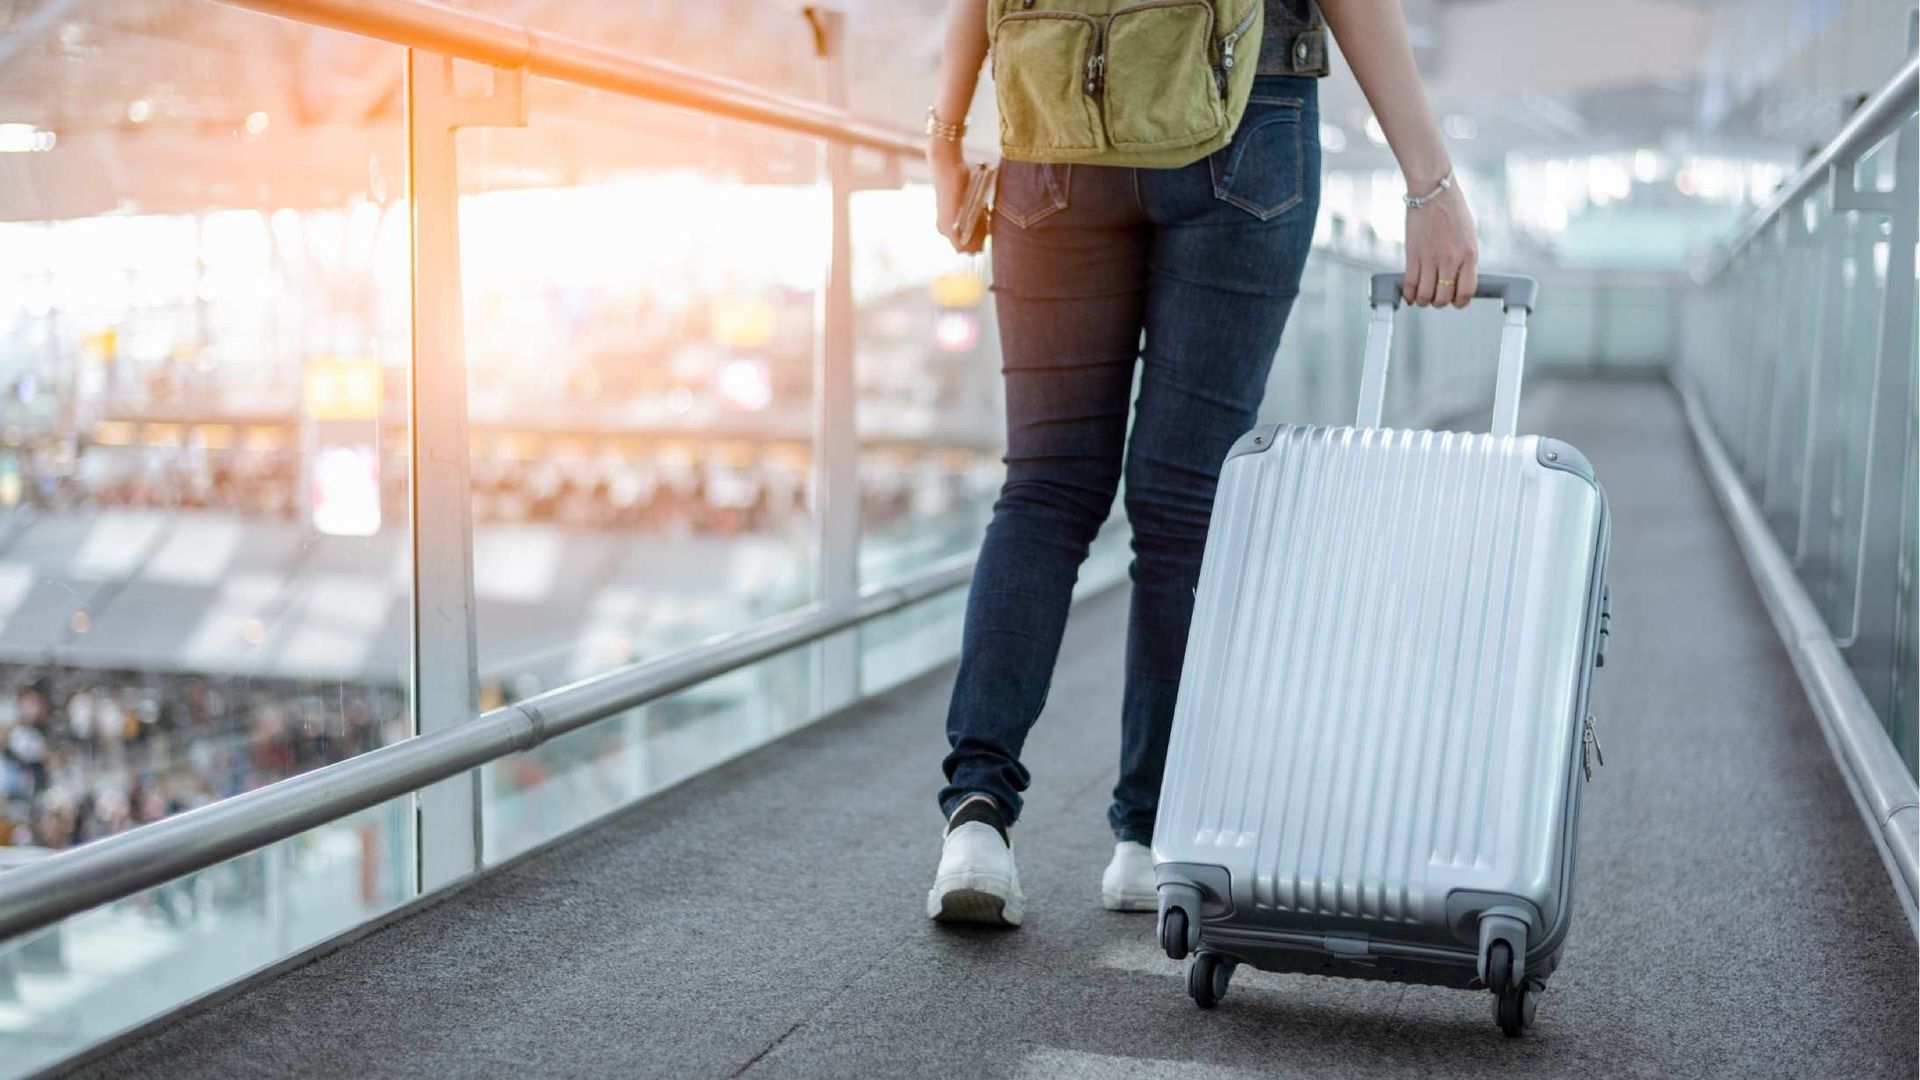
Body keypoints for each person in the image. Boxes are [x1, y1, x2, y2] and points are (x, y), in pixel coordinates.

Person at [924, 0, 1481, 925]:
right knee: (1183, 504)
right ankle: (1151, 837)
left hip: (1055, 118)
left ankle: (976, 820)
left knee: (1046, 487)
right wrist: (1432, 183)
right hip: (1244, 112)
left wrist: (945, 137)